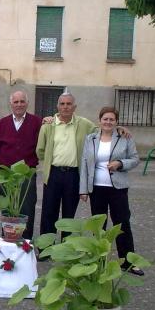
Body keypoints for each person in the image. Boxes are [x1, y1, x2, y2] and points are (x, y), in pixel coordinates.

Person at [79, 106, 143, 275]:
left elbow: (135, 159)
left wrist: (120, 163)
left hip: (118, 188)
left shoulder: (124, 137)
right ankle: (99, 260)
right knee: (99, 226)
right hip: (96, 189)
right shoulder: (91, 138)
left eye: (111, 119)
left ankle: (128, 262)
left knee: (122, 223)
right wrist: (83, 189)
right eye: (105, 119)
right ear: (99, 120)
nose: (108, 122)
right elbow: (84, 163)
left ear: (116, 122)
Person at [36, 93, 96, 237]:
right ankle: (46, 246)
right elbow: (40, 150)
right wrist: (50, 159)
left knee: (69, 214)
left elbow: (102, 131)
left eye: (69, 104)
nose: (65, 107)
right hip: (53, 174)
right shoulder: (48, 126)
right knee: (49, 212)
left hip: (73, 175)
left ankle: (66, 245)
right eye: (62, 104)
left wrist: (119, 129)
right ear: (57, 106)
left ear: (74, 107)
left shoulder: (84, 124)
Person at [0, 91, 42, 240]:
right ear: (11, 104)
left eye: (22, 101)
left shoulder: (36, 122)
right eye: (16, 102)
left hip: (26, 174)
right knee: (7, 208)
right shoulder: (2, 123)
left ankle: (25, 241)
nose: (19, 105)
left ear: (27, 103)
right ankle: (8, 239)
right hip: (6, 174)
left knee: (27, 207)